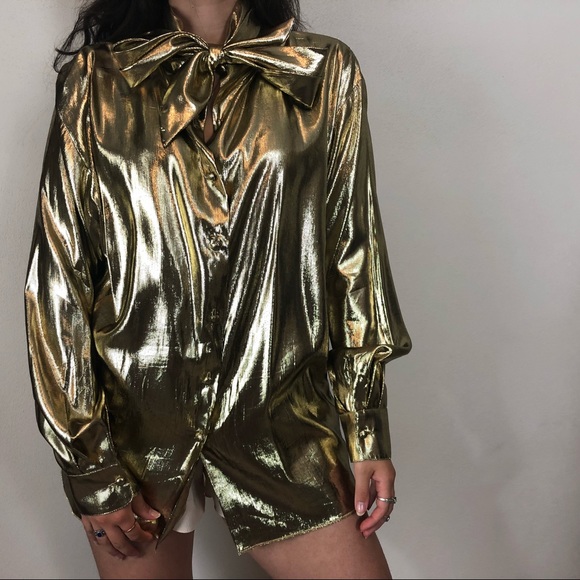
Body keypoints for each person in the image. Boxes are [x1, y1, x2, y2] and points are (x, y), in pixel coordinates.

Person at [24, 0, 412, 578]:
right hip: (133, 434)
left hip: (282, 421)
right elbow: (60, 280)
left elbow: (354, 257)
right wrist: (88, 463)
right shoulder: (95, 84)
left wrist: (365, 423)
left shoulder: (322, 71)